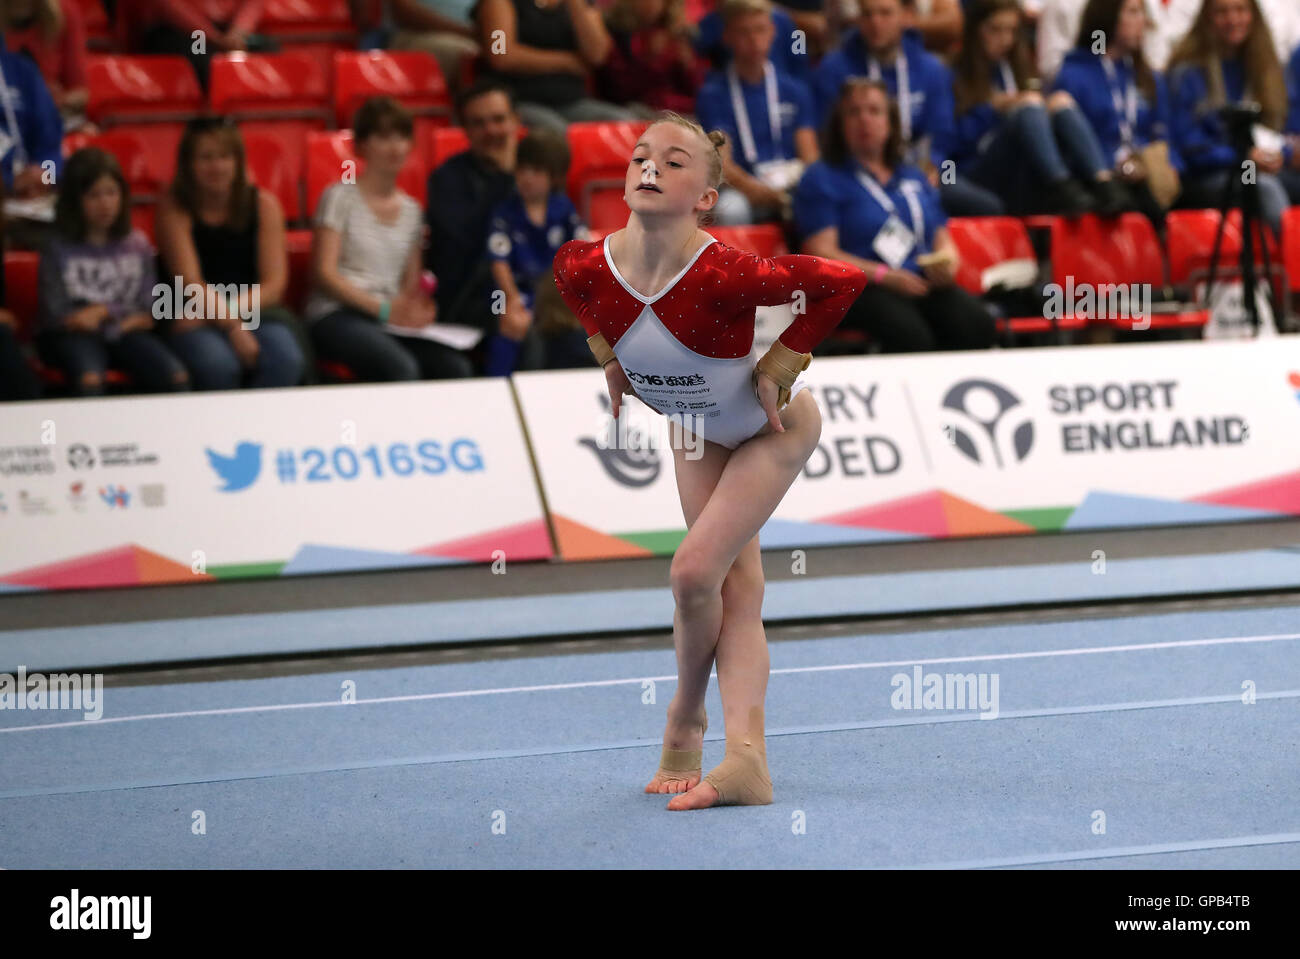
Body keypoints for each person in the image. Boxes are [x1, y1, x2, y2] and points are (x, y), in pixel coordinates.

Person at [553, 111, 868, 810]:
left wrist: (785, 360)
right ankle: (746, 759)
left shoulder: (724, 271)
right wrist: (609, 357)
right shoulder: (585, 263)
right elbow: (572, 287)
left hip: (770, 430)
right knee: (733, 590)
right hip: (692, 429)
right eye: (640, 156)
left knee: (694, 569)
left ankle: (685, 714)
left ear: (705, 197)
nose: (649, 167)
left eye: (673, 161)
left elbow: (840, 280)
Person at [796, 78, 998, 352]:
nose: (864, 120)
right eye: (854, 112)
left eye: (874, 111)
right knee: (912, 335)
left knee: (977, 324)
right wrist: (885, 276)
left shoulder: (912, 175)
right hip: (861, 287)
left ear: (890, 123)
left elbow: (942, 236)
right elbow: (821, 252)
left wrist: (948, 264)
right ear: (840, 123)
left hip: (918, 279)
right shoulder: (822, 177)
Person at [308, 97, 475, 381]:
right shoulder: (338, 197)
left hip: (386, 319)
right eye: (383, 137)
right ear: (361, 146)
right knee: (400, 367)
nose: (395, 146)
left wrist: (416, 309)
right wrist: (385, 310)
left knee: (454, 367)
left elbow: (409, 283)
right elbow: (324, 274)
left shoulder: (412, 210)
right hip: (337, 314)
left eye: (402, 136)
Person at [155, 117, 308, 390]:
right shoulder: (174, 208)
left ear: (238, 161)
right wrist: (232, 326)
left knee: (285, 358)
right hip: (188, 311)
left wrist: (231, 318)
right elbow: (191, 283)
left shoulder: (264, 205)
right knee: (218, 365)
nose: (217, 166)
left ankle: (264, 431)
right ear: (188, 165)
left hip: (252, 310)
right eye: (206, 157)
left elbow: (273, 285)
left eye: (225, 156)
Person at [813, 0, 1005, 216]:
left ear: (906, 15)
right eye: (867, 14)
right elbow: (827, 133)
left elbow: (942, 132)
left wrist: (934, 165)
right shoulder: (833, 68)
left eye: (885, 13)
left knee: (987, 206)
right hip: (856, 172)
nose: (876, 23)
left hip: (917, 168)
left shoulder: (931, 68)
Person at [952, 0, 1131, 216]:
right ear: (976, 30)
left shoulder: (1018, 69)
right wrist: (992, 109)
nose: (1005, 40)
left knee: (1060, 102)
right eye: (995, 30)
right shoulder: (953, 74)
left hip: (1023, 171)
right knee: (1030, 106)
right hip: (977, 169)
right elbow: (951, 146)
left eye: (1011, 31)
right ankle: (1061, 185)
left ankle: (1103, 182)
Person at [37, 148, 189, 396]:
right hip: (73, 336)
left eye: (111, 193)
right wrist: (114, 319)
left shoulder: (137, 243)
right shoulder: (57, 247)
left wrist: (103, 312)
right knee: (90, 378)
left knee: (175, 375)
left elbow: (149, 305)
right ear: (75, 200)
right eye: (93, 195)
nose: (105, 203)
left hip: (127, 332)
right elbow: (55, 313)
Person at [1053, 0, 1186, 225]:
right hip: (1100, 179)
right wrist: (1117, 165)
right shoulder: (1074, 75)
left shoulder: (1147, 77)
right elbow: (1072, 143)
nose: (1142, 21)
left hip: (1147, 176)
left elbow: (1164, 134)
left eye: (1142, 13)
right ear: (1109, 16)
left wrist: (1169, 165)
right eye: (1133, 12)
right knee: (1128, 203)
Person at [1167, 0, 1291, 237]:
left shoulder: (1264, 69)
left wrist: (1281, 154)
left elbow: (1275, 131)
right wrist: (1243, 157)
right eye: (1222, 12)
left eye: (1240, 10)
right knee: (1264, 189)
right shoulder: (1187, 72)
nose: (1233, 19)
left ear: (1253, 15)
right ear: (1207, 19)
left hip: (1252, 167)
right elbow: (1190, 148)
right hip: (1207, 175)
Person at [695, 0, 820, 225]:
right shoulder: (714, 94)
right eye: (744, 32)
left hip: (790, 183)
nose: (754, 40)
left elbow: (810, 156)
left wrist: (799, 187)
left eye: (760, 30)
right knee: (731, 210)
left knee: (824, 198)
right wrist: (760, 192)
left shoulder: (795, 90)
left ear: (772, 32)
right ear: (728, 36)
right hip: (743, 187)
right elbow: (724, 164)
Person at [484, 131, 588, 375]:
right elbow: (498, 262)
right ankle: (498, 385)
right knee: (508, 327)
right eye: (522, 170)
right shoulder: (504, 212)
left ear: (553, 177)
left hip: (551, 296)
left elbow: (582, 248)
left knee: (580, 331)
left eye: (537, 171)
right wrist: (511, 302)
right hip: (506, 292)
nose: (527, 178)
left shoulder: (563, 208)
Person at [474, 0, 640, 134]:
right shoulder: (498, 3)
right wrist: (567, 62)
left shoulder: (581, 5)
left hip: (572, 101)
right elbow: (500, 54)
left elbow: (597, 54)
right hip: (520, 100)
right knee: (557, 135)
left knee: (627, 126)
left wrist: (577, 5)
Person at [597, 0, 709, 116]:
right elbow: (618, 87)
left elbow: (696, 87)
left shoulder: (680, 35)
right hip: (637, 109)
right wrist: (650, 59)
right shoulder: (620, 33)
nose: (651, 3)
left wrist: (687, 64)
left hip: (679, 111)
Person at [1, 0, 90, 131]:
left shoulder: (64, 13)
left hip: (51, 116)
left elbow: (80, 92)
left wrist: (47, 101)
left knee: (87, 135)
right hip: (5, 118)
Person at [389, 0, 481, 94]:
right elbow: (404, 12)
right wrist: (469, 33)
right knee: (471, 54)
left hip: (473, 38)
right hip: (415, 34)